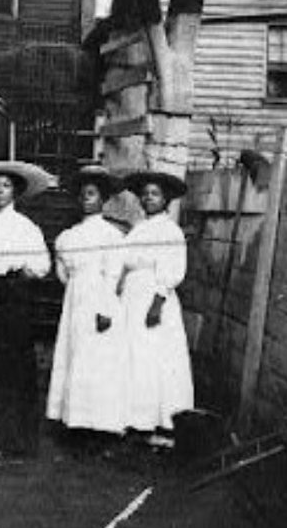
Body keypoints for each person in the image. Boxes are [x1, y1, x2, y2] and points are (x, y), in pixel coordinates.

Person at [0, 160, 53, 457]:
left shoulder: (26, 227)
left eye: (5, 186)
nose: (0, 191)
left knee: (18, 364)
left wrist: (21, 274)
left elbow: (43, 265)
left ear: (15, 191)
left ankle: (20, 438)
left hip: (16, 297)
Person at [46, 165, 132, 437]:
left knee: (97, 358)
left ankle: (100, 423)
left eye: (92, 194)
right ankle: (75, 420)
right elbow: (62, 273)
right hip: (75, 300)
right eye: (82, 194)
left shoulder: (111, 235)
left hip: (100, 298)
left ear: (103, 199)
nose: (86, 198)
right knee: (74, 355)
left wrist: (105, 307)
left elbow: (114, 274)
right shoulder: (68, 236)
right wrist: (76, 286)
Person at [119, 170, 195, 445]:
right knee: (133, 355)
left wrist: (157, 303)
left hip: (153, 297)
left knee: (154, 355)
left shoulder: (169, 230)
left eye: (155, 194)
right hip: (132, 296)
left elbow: (173, 269)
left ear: (166, 200)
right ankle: (134, 417)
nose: (149, 198)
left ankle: (160, 420)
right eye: (145, 194)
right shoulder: (139, 228)